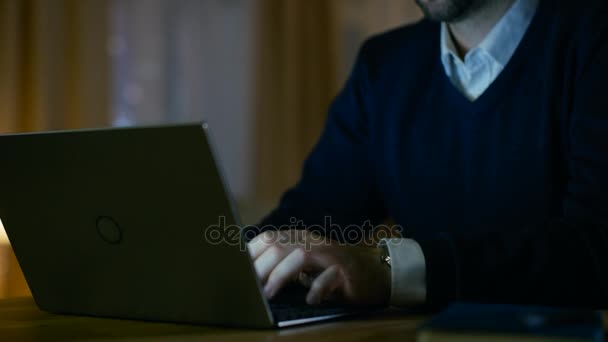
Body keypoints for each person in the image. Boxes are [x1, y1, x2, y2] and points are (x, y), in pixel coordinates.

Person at [247, 0, 608, 309]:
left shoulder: (593, 39)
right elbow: (309, 219)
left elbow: (594, 248)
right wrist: (233, 263)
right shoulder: (385, 68)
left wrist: (389, 270)